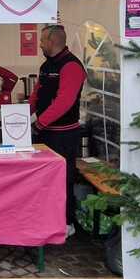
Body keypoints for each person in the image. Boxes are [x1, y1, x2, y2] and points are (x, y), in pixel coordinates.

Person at [30, 24, 85, 237]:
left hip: (64, 134)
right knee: (45, 178)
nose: (40, 44)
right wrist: (20, 116)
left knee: (63, 178)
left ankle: (66, 222)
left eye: (42, 40)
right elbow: (37, 94)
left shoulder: (71, 66)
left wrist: (39, 123)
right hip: (46, 132)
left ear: (52, 41)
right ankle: (46, 216)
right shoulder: (46, 66)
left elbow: (64, 102)